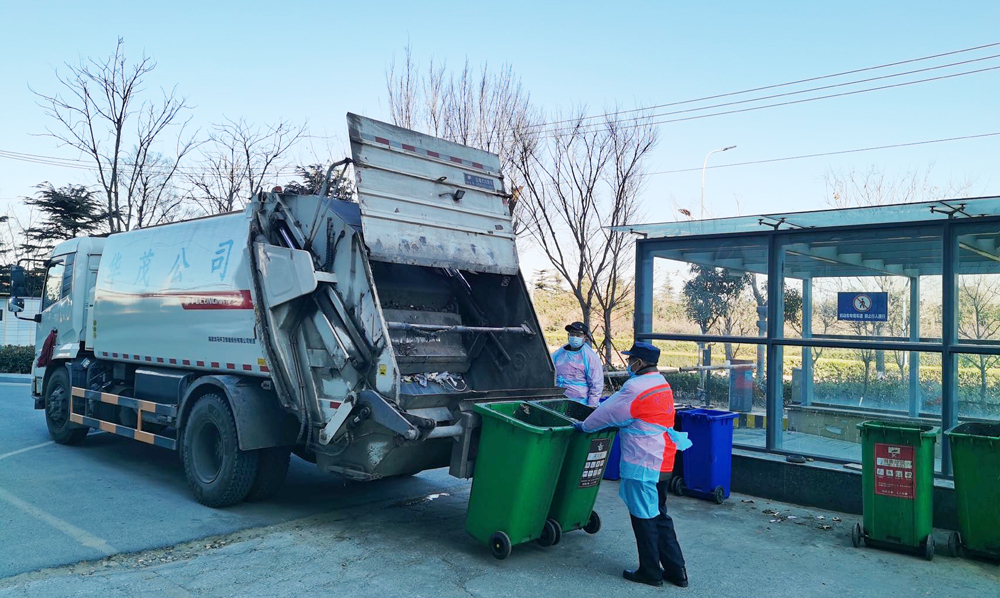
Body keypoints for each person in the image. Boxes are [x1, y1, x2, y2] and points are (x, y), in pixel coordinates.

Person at [578, 341, 688, 588]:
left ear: (639, 362)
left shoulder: (635, 387)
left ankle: (650, 572)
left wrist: (584, 426)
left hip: (643, 461)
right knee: (660, 515)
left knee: (644, 517)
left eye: (631, 359)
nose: (628, 363)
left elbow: (607, 413)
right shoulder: (661, 383)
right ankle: (677, 571)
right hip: (664, 460)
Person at [551, 322, 604, 407]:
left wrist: (591, 406)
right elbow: (549, 364)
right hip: (558, 399)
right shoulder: (561, 352)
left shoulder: (590, 357)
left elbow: (596, 385)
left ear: (584, 337)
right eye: (572, 334)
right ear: (568, 335)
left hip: (579, 403)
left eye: (578, 335)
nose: (574, 337)